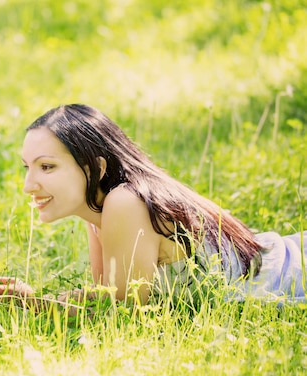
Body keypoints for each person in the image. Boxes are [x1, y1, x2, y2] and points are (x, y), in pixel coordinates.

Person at [21, 103, 306, 306]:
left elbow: (122, 314)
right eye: (27, 168)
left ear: (94, 167)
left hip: (295, 274)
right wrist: (36, 298)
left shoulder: (125, 202)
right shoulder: (98, 212)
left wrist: (30, 304)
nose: (28, 185)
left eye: (47, 167)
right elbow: (109, 296)